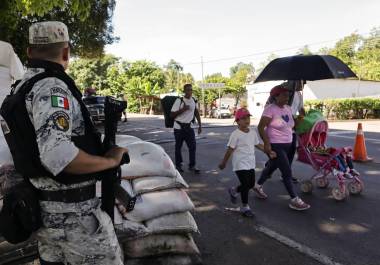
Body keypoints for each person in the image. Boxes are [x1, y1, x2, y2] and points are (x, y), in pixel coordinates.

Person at [6, 21, 126, 264]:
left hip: (45, 217)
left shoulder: (19, 88)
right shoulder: (52, 88)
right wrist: (109, 160)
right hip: (77, 220)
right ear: (65, 52)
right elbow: (58, 156)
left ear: (29, 52)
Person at [254, 85, 310, 211]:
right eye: (284, 95)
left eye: (288, 95)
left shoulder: (288, 108)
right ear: (276, 96)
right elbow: (260, 127)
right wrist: (267, 144)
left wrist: (301, 117)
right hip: (276, 145)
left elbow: (292, 126)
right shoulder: (270, 109)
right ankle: (294, 199)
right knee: (287, 171)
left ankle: (257, 186)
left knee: (272, 166)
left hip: (289, 144)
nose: (287, 97)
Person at [218, 108, 276, 217]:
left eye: (248, 117)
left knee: (250, 184)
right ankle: (245, 207)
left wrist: (269, 152)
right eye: (243, 118)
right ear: (237, 121)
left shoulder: (252, 132)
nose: (246, 120)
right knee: (245, 184)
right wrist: (224, 162)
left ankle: (234, 190)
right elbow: (230, 149)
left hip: (250, 163)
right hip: (239, 163)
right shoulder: (235, 134)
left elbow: (257, 145)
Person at [170, 84, 202, 173]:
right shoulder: (179, 100)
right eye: (187, 90)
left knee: (192, 147)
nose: (189, 92)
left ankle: (192, 165)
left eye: (191, 90)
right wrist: (183, 109)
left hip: (189, 127)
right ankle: (178, 165)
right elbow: (172, 114)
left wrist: (200, 125)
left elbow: (196, 113)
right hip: (178, 128)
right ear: (184, 91)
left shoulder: (193, 100)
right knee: (178, 147)